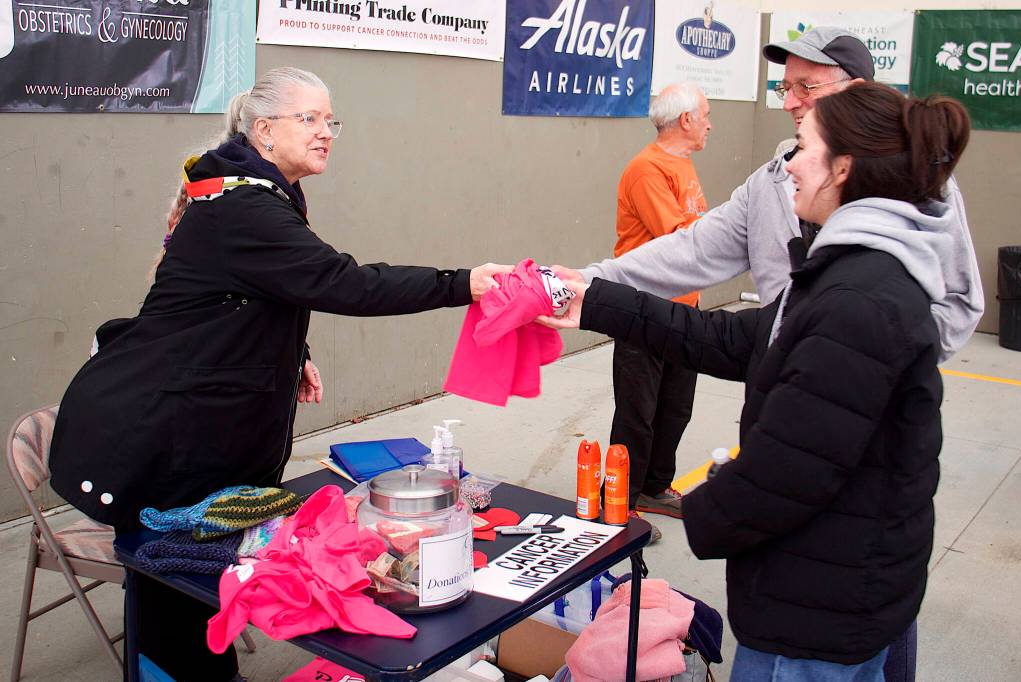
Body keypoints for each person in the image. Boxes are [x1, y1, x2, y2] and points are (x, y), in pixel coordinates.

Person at [48, 67, 509, 682]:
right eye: (311, 119)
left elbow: (262, 291)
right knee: (172, 578)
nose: (327, 133)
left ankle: (206, 669)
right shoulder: (243, 207)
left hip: (196, 424)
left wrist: (295, 355)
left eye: (330, 120)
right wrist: (462, 284)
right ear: (264, 131)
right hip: (164, 435)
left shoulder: (254, 196)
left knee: (195, 573)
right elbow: (339, 281)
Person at [546, 81, 971, 682]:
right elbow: (732, 340)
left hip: (816, 618)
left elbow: (791, 470)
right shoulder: (845, 272)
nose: (789, 165)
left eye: (803, 147)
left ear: (843, 168)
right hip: (825, 592)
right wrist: (595, 302)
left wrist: (710, 508)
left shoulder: (860, 300)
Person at [556, 27, 983, 365]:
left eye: (805, 87)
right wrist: (577, 283)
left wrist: (868, 365)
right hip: (781, 394)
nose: (789, 103)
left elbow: (959, 303)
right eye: (785, 89)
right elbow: (690, 251)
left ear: (855, 91)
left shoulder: (920, 186)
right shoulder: (772, 182)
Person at [609, 82, 711, 534]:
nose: (710, 123)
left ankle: (654, 486)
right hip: (643, 308)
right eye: (706, 114)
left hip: (683, 309)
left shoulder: (682, 165)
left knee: (675, 407)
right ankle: (621, 502)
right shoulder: (648, 168)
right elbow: (679, 237)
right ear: (686, 119)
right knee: (638, 411)